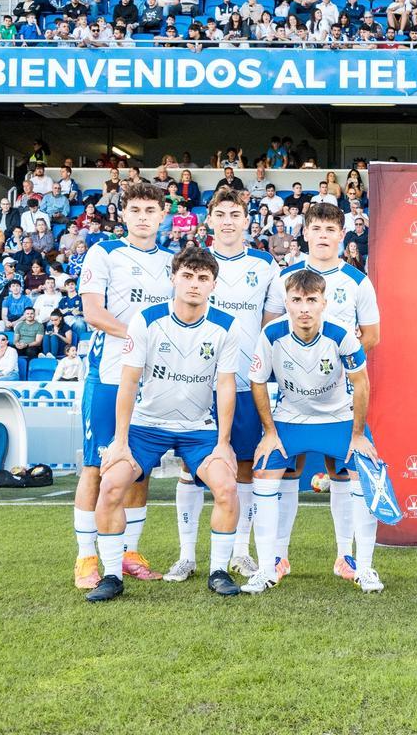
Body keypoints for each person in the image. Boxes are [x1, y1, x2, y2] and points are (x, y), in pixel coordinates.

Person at [86, 247, 242, 603]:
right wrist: (121, 441)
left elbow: (226, 384)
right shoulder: (147, 319)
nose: (194, 284)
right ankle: (111, 575)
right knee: (110, 484)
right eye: (187, 276)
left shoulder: (226, 326)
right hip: (147, 425)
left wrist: (223, 442)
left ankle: (218, 570)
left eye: (203, 278)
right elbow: (129, 381)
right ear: (173, 278)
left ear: (213, 284)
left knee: (227, 487)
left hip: (198, 428)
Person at [242, 269, 381, 594]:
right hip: (291, 418)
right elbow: (257, 381)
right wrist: (269, 431)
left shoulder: (342, 334)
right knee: (263, 475)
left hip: (338, 419)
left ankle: (365, 568)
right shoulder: (272, 334)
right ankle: (265, 569)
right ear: (287, 303)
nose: (304, 308)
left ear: (324, 303)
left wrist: (358, 435)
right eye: (297, 300)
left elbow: (361, 382)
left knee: (365, 474)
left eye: (311, 300)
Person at [163, 190, 276, 583]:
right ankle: (186, 555)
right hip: (194, 383)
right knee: (188, 469)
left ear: (247, 220)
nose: (228, 221)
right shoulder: (194, 264)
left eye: (235, 214)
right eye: (221, 214)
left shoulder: (263, 264)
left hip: (243, 384)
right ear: (209, 219)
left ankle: (239, 552)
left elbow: (269, 324)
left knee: (242, 466)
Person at [71, 183, 173, 591]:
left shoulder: (171, 261)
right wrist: (139, 340)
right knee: (97, 467)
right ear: (124, 214)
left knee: (139, 468)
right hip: (111, 376)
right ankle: (86, 558)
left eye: (151, 209)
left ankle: (129, 552)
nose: (144, 216)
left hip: (152, 381)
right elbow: (93, 312)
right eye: (136, 209)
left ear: (163, 215)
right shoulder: (104, 252)